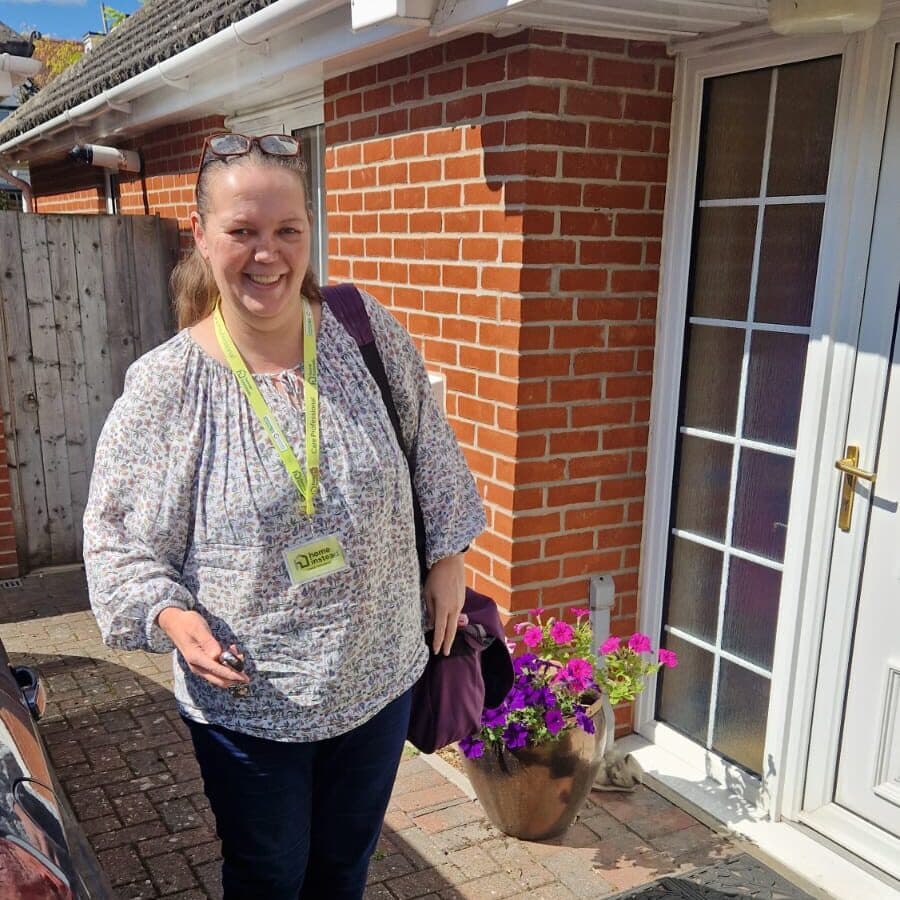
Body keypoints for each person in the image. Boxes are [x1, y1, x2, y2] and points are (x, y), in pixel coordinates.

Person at [82, 132, 485, 899]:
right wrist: (169, 615)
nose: (267, 254)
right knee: (268, 875)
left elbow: (430, 446)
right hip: (250, 705)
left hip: (377, 677)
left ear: (310, 232)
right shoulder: (168, 386)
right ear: (200, 236)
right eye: (242, 231)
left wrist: (448, 558)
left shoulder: (364, 331)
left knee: (342, 869)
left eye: (287, 230)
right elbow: (116, 538)